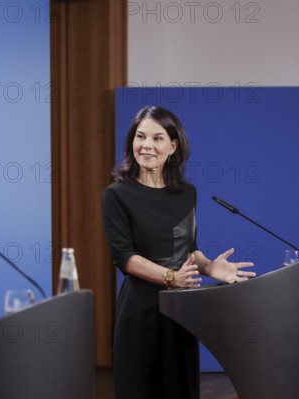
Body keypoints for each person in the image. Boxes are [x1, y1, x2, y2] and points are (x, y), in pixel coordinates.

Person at [101, 106, 256, 398]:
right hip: (141, 312)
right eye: (140, 136)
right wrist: (171, 276)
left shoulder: (187, 194)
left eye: (157, 138)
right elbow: (125, 257)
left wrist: (210, 267)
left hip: (181, 311)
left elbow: (188, 249)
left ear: (173, 146)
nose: (146, 145)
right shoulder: (116, 194)